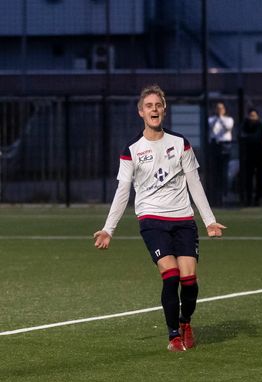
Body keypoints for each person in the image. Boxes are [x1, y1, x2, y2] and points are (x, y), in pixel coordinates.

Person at [93, 84, 226, 352]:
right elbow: (122, 191)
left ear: (164, 110)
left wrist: (209, 220)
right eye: (149, 106)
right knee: (171, 275)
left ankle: (186, 322)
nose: (154, 109)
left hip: (183, 219)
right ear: (140, 112)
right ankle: (174, 335)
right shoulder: (131, 150)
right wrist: (109, 229)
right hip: (152, 220)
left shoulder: (180, 144)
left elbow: (194, 183)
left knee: (190, 280)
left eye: (158, 105)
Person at [207, 102, 234, 206]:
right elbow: (211, 127)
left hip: (225, 145)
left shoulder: (228, 119)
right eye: (217, 108)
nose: (219, 110)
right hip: (215, 145)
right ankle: (215, 196)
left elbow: (227, 128)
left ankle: (225, 194)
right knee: (215, 172)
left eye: (221, 108)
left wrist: (221, 117)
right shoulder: (211, 119)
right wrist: (217, 118)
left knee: (224, 171)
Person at [240, 108, 262, 206]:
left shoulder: (260, 125)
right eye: (250, 116)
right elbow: (241, 135)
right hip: (248, 156)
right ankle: (248, 199)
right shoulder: (245, 124)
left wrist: (248, 137)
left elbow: (256, 137)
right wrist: (249, 137)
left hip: (259, 155)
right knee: (248, 178)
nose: (252, 118)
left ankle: (258, 199)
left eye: (254, 116)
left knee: (259, 178)